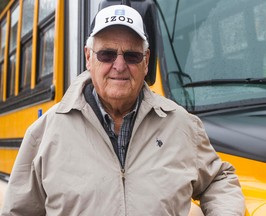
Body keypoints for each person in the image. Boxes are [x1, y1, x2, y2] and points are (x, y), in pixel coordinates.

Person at [1, 4, 245, 216]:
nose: (119, 65)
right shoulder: (44, 133)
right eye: (106, 54)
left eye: (132, 56)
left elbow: (218, 179)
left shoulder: (182, 125)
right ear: (89, 57)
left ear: (146, 60)